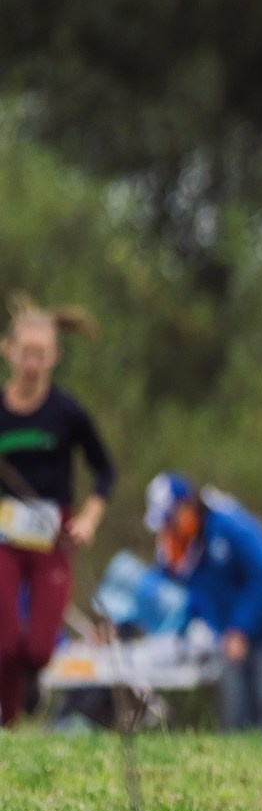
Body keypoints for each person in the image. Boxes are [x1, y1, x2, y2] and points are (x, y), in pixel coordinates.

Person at [0, 299, 114, 727]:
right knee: (4, 644)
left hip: (53, 536)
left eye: (41, 354)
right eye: (25, 352)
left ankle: (33, 677)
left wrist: (88, 519)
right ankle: (7, 727)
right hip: (3, 537)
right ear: (8, 351)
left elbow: (105, 470)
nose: (32, 363)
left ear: (55, 357)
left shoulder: (67, 412)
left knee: (40, 649)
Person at [146, 474, 262, 737]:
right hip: (227, 635)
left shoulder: (232, 527)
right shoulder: (177, 548)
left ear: (187, 507)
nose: (168, 529)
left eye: (171, 520)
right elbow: (171, 592)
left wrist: (240, 628)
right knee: (236, 718)